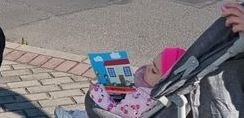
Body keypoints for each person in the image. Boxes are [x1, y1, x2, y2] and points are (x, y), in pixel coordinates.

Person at [55, 47, 186, 118]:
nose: (147, 68)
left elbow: (120, 110)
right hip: (124, 100)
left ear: (164, 81)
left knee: (93, 98)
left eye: (154, 70)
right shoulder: (154, 90)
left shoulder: (144, 99)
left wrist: (97, 92)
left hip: (118, 109)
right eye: (151, 63)